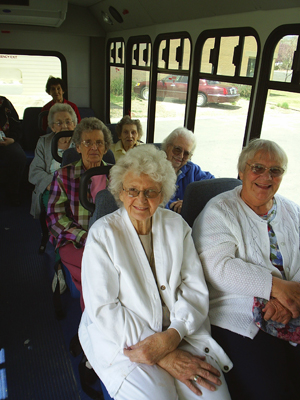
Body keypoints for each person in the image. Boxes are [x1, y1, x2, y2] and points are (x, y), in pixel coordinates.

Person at [78, 144, 232, 400]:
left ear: (163, 195)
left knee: (214, 395)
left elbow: (193, 287)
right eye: (133, 190)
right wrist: (163, 352)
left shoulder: (176, 226)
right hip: (124, 338)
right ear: (120, 192)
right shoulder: (102, 234)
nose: (141, 199)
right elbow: (104, 308)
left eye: (151, 191)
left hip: (178, 331)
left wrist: (174, 335)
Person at [192, 139, 300, 400]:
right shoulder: (219, 210)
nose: (266, 177)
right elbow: (216, 267)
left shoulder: (291, 210)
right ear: (241, 171)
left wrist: (290, 297)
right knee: (272, 390)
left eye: (276, 170)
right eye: (258, 168)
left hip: (292, 304)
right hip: (238, 314)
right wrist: (276, 287)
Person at [47, 117, 113, 310]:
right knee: (96, 272)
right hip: (73, 241)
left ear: (106, 147)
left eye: (99, 142)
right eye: (87, 142)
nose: (94, 147)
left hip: (108, 241)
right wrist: (86, 238)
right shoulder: (63, 176)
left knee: (99, 273)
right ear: (77, 147)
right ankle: (93, 325)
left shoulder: (116, 175)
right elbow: (55, 219)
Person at [29, 103, 77, 220]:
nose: (64, 126)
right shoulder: (44, 142)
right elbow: (34, 172)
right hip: (51, 187)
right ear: (52, 127)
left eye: (68, 122)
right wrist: (53, 184)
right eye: (59, 123)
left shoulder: (82, 142)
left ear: (74, 124)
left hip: (76, 187)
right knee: (59, 214)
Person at [162, 127, 214, 213]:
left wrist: (191, 202)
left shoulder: (192, 169)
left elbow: (214, 187)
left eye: (186, 153)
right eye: (177, 150)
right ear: (168, 147)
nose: (181, 156)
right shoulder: (153, 168)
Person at [0, 96, 27, 206]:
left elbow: (16, 125)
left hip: (7, 140)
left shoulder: (4, 103)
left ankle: (13, 193)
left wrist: (13, 139)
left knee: (19, 157)